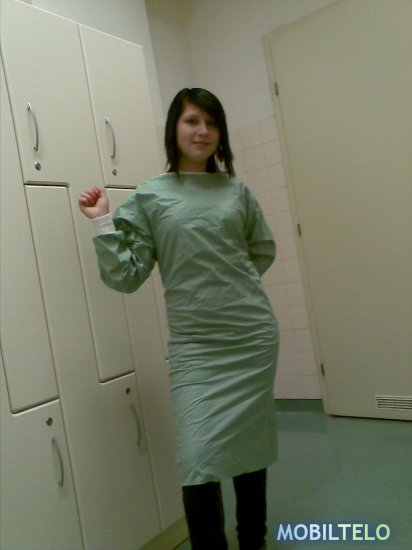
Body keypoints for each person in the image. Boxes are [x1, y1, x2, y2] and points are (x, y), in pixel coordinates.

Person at [79, 88, 279, 550]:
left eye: (211, 123)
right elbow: (127, 275)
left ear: (221, 133)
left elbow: (261, 250)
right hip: (196, 346)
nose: (202, 131)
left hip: (251, 336)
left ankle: (253, 539)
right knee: (197, 456)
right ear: (174, 128)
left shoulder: (236, 191)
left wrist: (228, 287)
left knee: (250, 446)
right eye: (192, 121)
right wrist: (101, 222)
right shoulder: (151, 196)